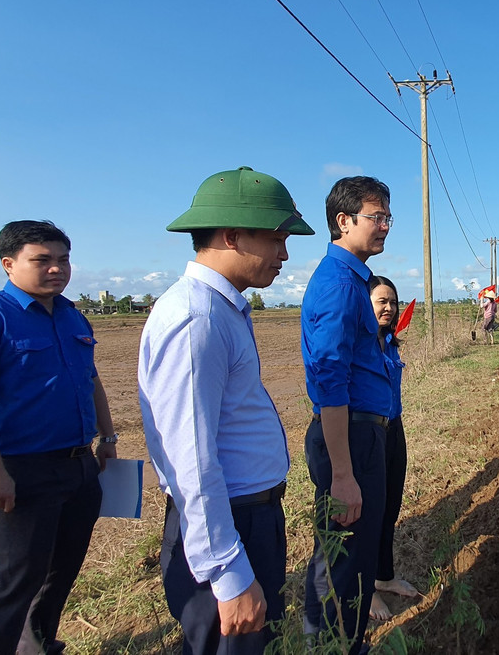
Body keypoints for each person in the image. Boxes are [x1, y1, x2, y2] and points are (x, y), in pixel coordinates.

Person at [139, 166, 315, 654]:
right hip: (227, 525)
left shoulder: (222, 309)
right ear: (233, 236)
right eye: (277, 239)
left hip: (246, 518)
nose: (284, 254)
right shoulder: (197, 319)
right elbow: (190, 458)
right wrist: (228, 572)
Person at [0, 220, 119, 655]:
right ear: (9, 263)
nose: (56, 269)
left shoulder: (72, 314)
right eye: (43, 260)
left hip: (79, 465)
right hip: (23, 470)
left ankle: (37, 643)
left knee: (62, 570)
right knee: (18, 578)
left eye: (63, 259)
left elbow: (90, 378)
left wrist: (108, 437)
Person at [300, 176, 396, 652]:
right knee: (346, 557)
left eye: (386, 218)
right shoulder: (340, 284)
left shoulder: (354, 279)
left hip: (360, 434)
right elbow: (329, 378)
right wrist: (343, 472)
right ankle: (336, 644)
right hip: (350, 439)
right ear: (344, 221)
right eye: (376, 217)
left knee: (343, 550)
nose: (384, 227)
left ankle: (329, 638)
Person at [365, 276, 420, 622]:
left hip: (394, 429)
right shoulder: (361, 345)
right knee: (369, 511)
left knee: (390, 506)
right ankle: (363, 589)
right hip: (369, 432)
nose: (389, 307)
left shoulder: (390, 342)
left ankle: (383, 575)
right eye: (381, 301)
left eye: (393, 301)